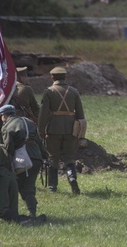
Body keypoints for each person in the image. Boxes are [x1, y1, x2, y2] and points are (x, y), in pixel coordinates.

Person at [38, 66, 86, 194]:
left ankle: (53, 187)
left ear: (52, 77)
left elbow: (43, 114)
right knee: (69, 157)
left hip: (53, 129)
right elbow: (81, 115)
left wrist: (41, 130)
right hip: (71, 129)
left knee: (53, 157)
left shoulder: (48, 92)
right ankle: (72, 178)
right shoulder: (74, 91)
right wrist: (80, 132)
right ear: (65, 77)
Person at [0, 104, 48, 219]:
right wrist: (44, 156)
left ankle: (31, 213)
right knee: (28, 185)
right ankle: (32, 210)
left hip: (22, 159)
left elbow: (8, 148)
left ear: (4, 115)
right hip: (36, 157)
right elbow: (39, 141)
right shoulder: (29, 122)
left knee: (23, 186)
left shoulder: (7, 126)